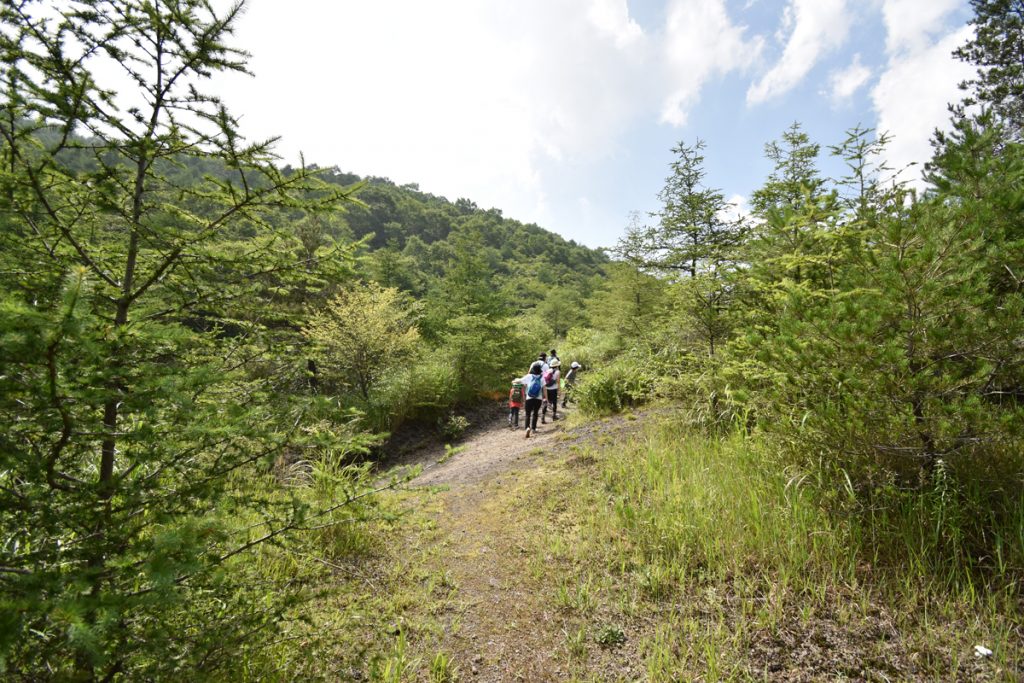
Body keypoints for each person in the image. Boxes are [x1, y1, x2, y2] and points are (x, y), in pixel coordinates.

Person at [521, 361, 546, 438]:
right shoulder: (542, 378)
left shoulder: (529, 376)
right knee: (535, 413)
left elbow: (521, 382)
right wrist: (546, 398)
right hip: (538, 398)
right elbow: (544, 389)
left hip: (529, 398)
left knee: (528, 414)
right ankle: (534, 428)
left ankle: (527, 428)